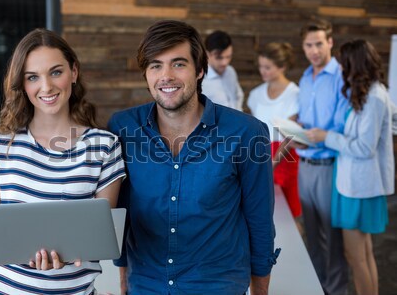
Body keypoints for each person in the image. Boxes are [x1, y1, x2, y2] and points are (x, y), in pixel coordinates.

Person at [108, 20, 278, 294]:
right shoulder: (123, 128)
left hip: (218, 284)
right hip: (146, 284)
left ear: (200, 70)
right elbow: (122, 212)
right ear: (146, 74)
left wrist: (260, 291)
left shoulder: (247, 133)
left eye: (178, 64)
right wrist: (124, 282)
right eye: (155, 65)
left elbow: (259, 222)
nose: (166, 76)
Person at [0, 28, 125, 295]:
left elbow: (99, 238)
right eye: (33, 77)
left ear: (74, 72)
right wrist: (34, 249)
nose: (46, 87)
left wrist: (64, 251)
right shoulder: (1, 144)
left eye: (56, 72)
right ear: (23, 84)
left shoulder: (104, 146)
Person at [306, 39, 394, 295]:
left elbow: (364, 148)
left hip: (360, 186)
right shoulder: (367, 93)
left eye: (344, 64)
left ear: (354, 64)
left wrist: (326, 137)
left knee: (357, 256)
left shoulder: (375, 97)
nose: (341, 69)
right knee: (362, 254)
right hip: (350, 183)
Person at [294, 19, 350, 295]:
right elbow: (307, 119)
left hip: (330, 165)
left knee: (332, 236)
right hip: (304, 165)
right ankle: (317, 288)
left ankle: (336, 290)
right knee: (313, 235)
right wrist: (296, 123)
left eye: (319, 43)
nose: (314, 50)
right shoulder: (305, 77)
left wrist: (320, 134)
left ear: (330, 42)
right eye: (308, 45)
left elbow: (342, 127)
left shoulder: (342, 77)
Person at [247, 42, 302, 223]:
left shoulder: (295, 94)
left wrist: (271, 166)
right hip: (261, 156)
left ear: (282, 67)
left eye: (268, 67)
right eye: (261, 66)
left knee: (289, 216)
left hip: (285, 158)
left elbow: (290, 136)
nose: (262, 71)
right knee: (263, 214)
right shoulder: (256, 94)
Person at [201, 30, 245, 110]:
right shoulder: (200, 79)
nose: (225, 62)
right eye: (219, 57)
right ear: (207, 54)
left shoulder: (230, 71)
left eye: (228, 57)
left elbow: (238, 96)